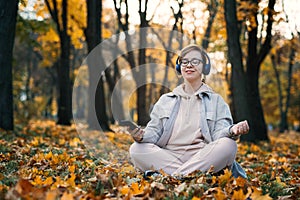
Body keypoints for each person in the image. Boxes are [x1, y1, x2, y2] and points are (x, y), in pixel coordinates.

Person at [129, 44, 249, 178]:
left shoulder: (216, 101)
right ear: (179, 67)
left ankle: (172, 177)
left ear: (205, 67)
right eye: (184, 61)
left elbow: (218, 136)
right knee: (136, 149)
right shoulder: (165, 100)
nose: (189, 65)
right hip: (169, 157)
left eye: (195, 61)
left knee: (228, 145)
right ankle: (187, 176)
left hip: (202, 157)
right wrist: (141, 136)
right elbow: (154, 134)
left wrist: (231, 131)